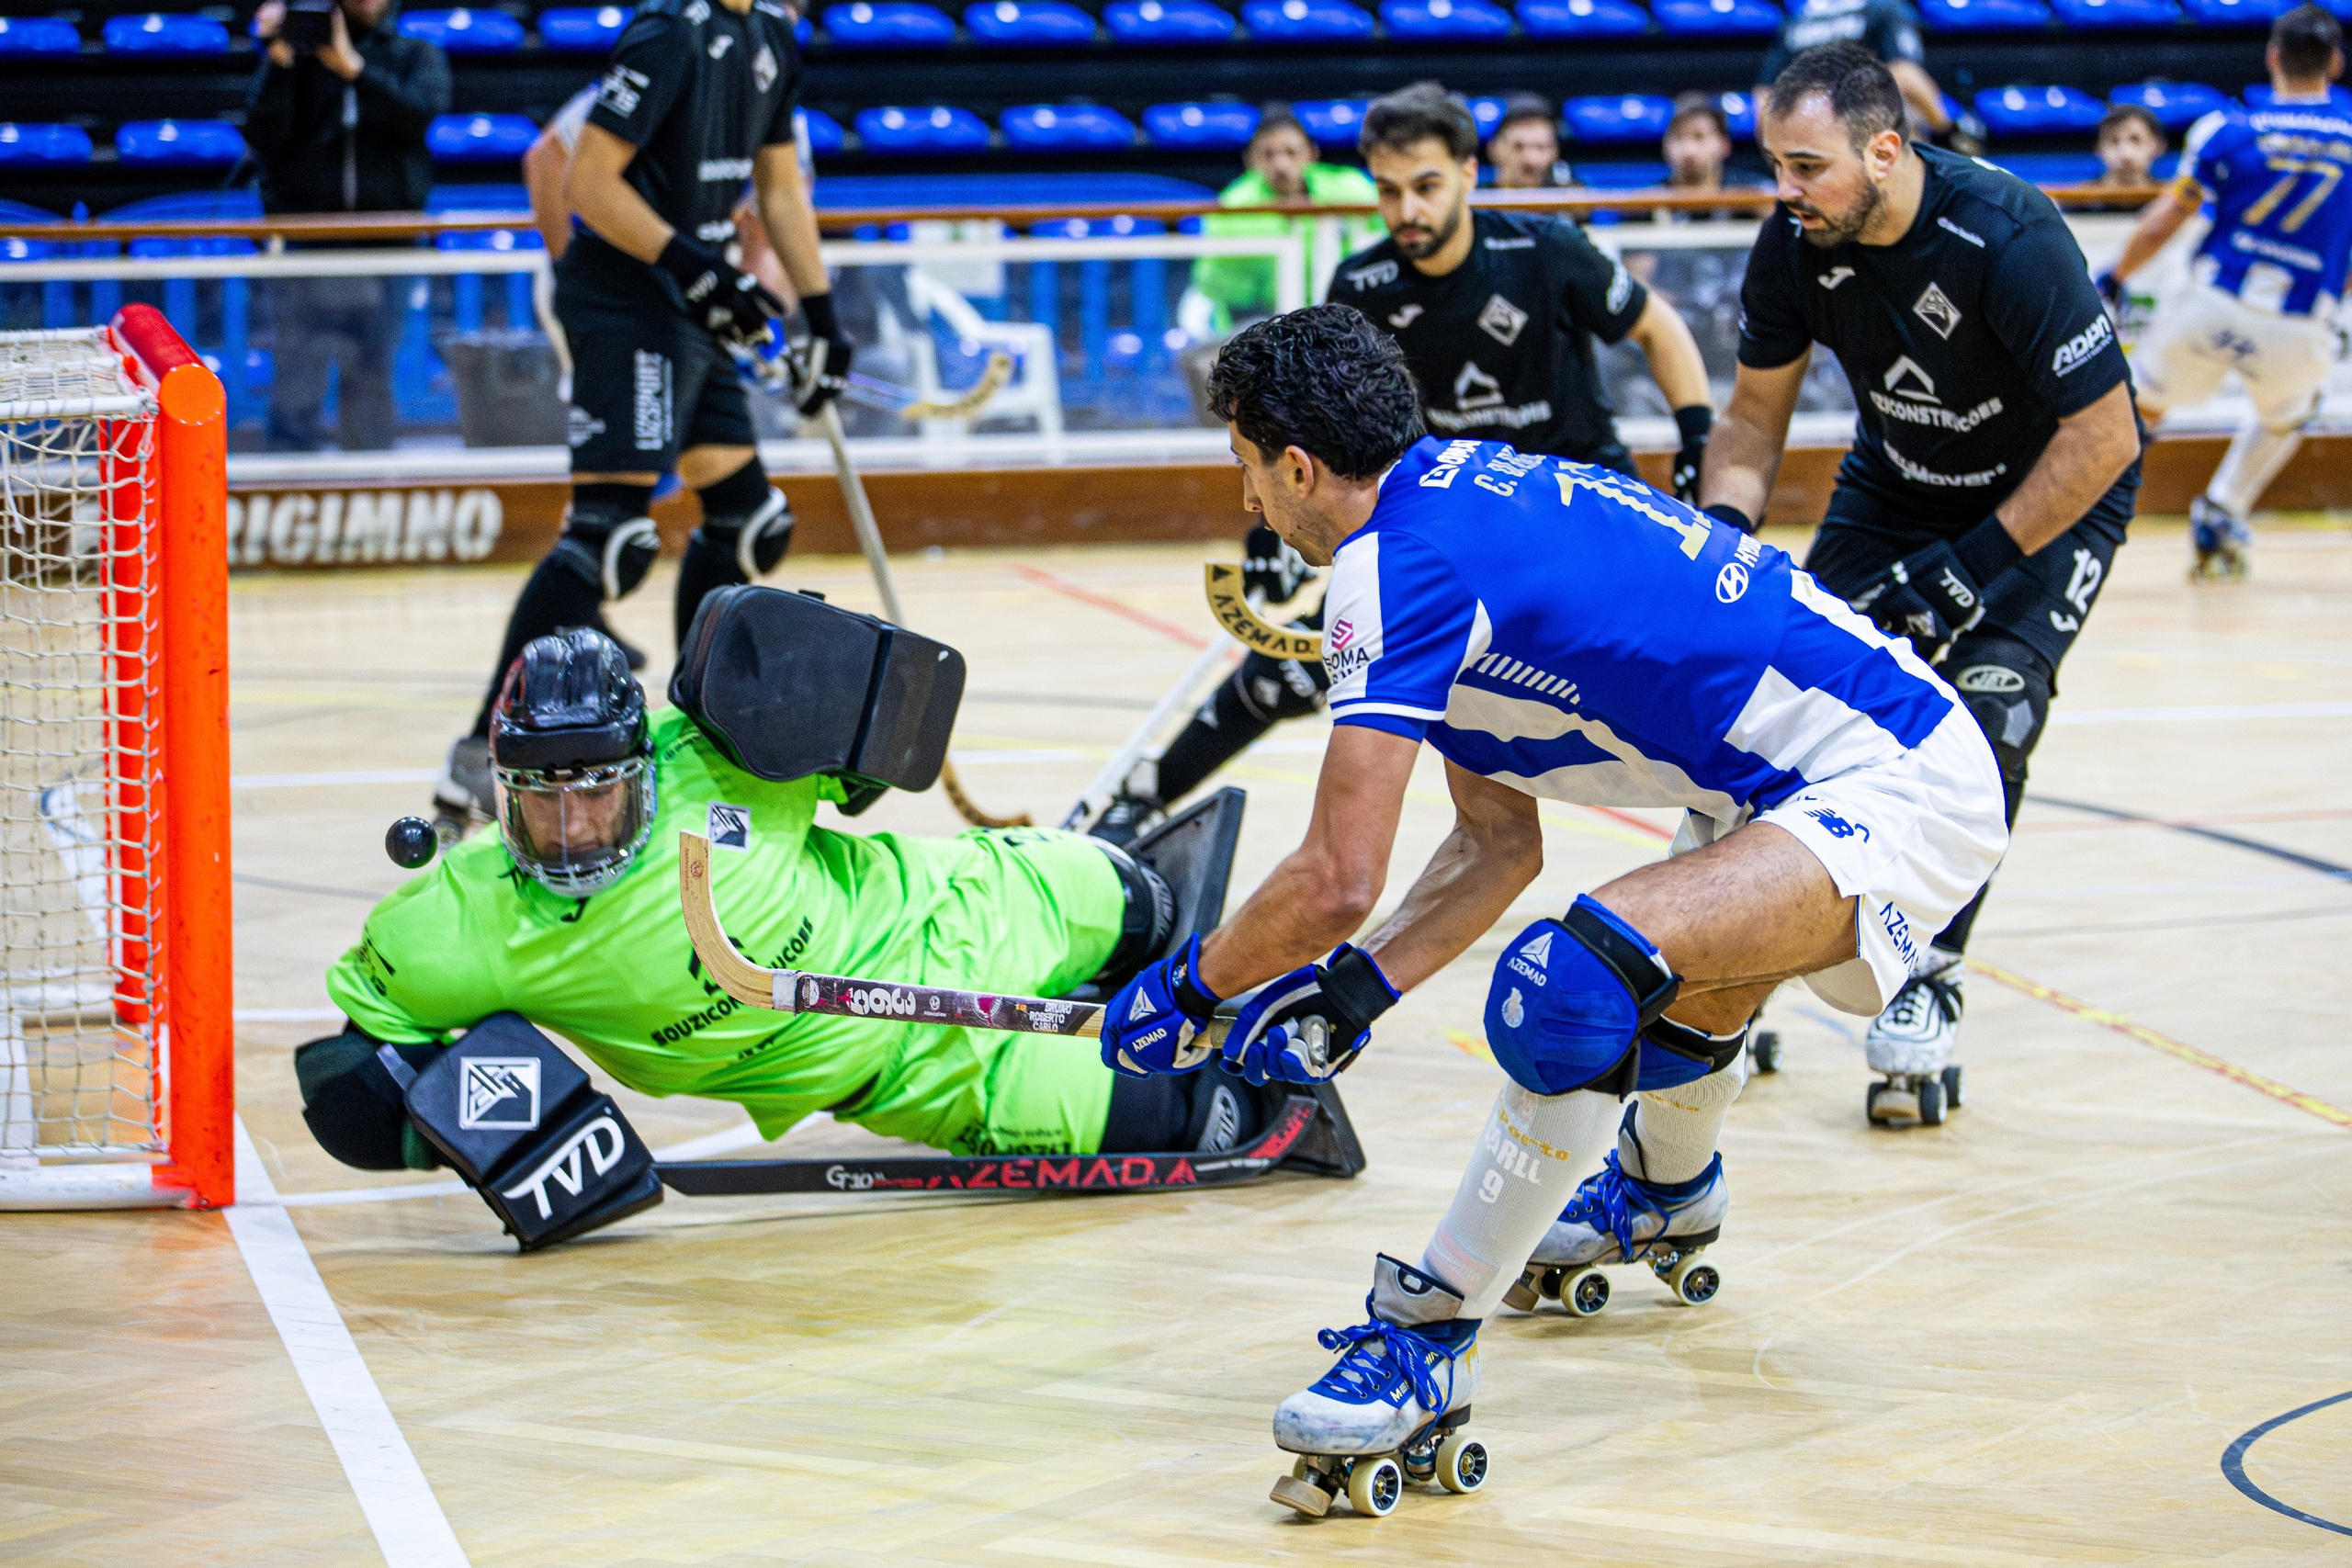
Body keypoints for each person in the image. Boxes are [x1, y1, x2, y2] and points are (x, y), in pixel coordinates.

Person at [1090, 305, 2005, 1510]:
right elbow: (1491, 838)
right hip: (1801, 780)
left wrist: (1194, 985)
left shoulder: (1394, 570)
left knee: (1577, 981)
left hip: (1895, 780)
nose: (1251, 504)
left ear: (1300, 466)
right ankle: (1667, 1193)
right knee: (1686, 962)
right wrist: (1357, 990)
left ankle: (1424, 1338)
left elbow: (1336, 877)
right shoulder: (1447, 503)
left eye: (1249, 473)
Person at [302, 628, 1283, 1203]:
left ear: (641, 764)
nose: (568, 827)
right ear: (499, 791)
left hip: (970, 906)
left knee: (1152, 908)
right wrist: (494, 1132)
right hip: (915, 1066)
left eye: (594, 791)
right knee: (1211, 1118)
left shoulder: (715, 760)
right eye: (537, 797)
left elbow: (881, 733)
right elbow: (350, 1084)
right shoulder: (461, 922)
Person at [1091, 83, 1713, 847]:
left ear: (1469, 175)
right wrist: (1272, 533)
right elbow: (1309, 426)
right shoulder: (1364, 285)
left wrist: (1696, 442)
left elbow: (1660, 327)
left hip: (1582, 519)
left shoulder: (1545, 251)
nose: (1406, 210)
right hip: (1451, 529)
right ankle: (1140, 800)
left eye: (1426, 186)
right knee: (1296, 664)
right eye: (1388, 191)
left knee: (1675, 661)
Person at [1701, 43, 2143, 1117]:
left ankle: (1929, 978)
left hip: (2049, 494)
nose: (1783, 190)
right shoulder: (1794, 244)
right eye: (1775, 164)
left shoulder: (2008, 233)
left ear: (1885, 152)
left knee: (1992, 714)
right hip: (1893, 485)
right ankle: (1733, 972)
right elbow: (1753, 422)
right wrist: (1717, 542)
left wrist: (1969, 574)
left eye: (1806, 166)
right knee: (1779, 710)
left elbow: (2105, 437)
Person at [430, 0, 852, 839]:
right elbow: (587, 178)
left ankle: (697, 737)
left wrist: (822, 316)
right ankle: (480, 750)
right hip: (627, 298)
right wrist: (695, 265)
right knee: (609, 538)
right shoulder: (668, 32)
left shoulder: (770, 38)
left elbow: (776, 185)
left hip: (691, 300)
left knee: (746, 521)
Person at [2100, 6, 2352, 581]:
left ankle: (2083, 517)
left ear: (2272, 58)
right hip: (2299, 323)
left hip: (2209, 305)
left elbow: (2166, 219)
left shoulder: (2229, 129)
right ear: (2336, 64)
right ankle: (2223, 508)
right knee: (2291, 412)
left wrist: (2114, 277)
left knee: (2139, 412)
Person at [245, 0, 450, 453]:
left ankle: (372, 471)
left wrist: (353, 69)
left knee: (374, 367)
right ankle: (289, 478)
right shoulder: (296, 60)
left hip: (389, 243)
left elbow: (418, 114)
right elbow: (264, 134)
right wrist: (279, 62)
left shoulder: (416, 55)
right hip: (306, 242)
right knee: (297, 368)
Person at [1187, 106, 1383, 333]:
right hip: (1257, 324)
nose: (1280, 165)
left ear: (1311, 153)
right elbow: (1222, 288)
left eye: (1291, 152)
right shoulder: (1233, 206)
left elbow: (1377, 250)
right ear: (1250, 158)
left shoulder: (1352, 189)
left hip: (1341, 317)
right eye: (1268, 154)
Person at [1758, 0, 1977, 152]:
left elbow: (1764, 98)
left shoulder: (1796, 22)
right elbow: (1905, 74)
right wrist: (1945, 129)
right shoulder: (1882, 8)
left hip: (1810, 141)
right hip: (1869, 134)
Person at [1487, 95, 1572, 191]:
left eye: (1540, 147)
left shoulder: (1576, 201)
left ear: (1555, 151)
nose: (1530, 160)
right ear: (1493, 149)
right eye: (1518, 147)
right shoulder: (1471, 201)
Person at [2094, 103, 2166, 189]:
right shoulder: (2078, 198)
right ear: (2098, 150)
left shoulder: (2177, 199)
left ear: (2158, 146)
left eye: (2135, 139)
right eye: (2114, 141)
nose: (2125, 154)